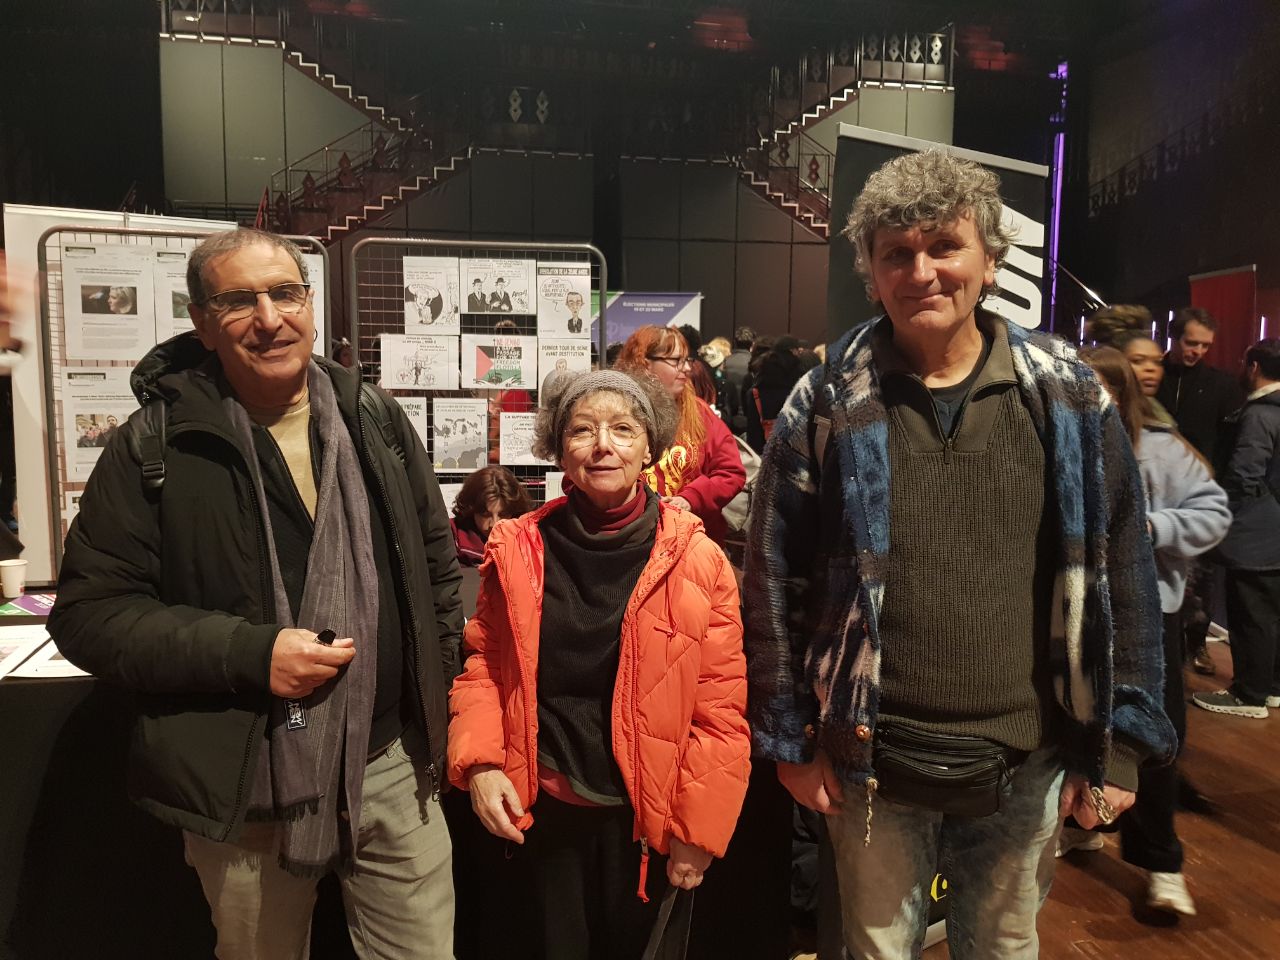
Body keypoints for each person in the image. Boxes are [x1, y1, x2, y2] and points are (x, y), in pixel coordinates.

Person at [744, 149, 1174, 960]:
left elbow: (1124, 570)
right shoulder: (830, 394)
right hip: (869, 752)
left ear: (989, 258)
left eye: (944, 245)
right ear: (870, 271)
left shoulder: (1067, 393)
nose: (922, 271)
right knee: (874, 950)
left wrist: (1119, 744)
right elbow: (772, 573)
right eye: (895, 253)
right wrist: (789, 741)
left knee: (1004, 948)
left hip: (1030, 755)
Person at [48, 228, 461, 959]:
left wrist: (438, 698)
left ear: (310, 303)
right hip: (244, 780)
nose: (269, 318)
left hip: (390, 762)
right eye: (238, 300)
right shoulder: (157, 446)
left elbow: (433, 567)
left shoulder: (374, 418)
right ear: (202, 322)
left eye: (284, 293)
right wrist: (249, 653)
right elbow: (89, 615)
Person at [448, 369, 750, 958]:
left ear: (649, 447)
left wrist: (699, 830)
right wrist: (481, 765)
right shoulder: (516, 549)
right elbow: (485, 666)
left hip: (648, 823)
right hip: (544, 811)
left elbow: (720, 707)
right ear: (559, 449)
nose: (603, 445)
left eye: (622, 429)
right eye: (582, 431)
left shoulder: (697, 558)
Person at [1062, 347, 1228, 917]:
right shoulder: (1055, 443)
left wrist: (1150, 526)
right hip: (1072, 614)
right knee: (1073, 729)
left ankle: (1162, 864)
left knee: (1150, 741)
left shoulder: (1159, 449)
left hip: (1149, 614)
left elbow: (1214, 511)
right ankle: (1083, 825)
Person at [1193, 337, 1280, 720]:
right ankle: (1271, 688)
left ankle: (1249, 695)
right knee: (1270, 612)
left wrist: (1217, 513)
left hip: (1255, 535)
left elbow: (1244, 475)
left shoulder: (1260, 414)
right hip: (1272, 532)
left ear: (1255, 367)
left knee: (1251, 614)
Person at [1156, 308, 1245, 675]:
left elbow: (1228, 442)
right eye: (1191, 342)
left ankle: (1196, 645)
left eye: (1205, 345)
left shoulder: (1222, 385)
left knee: (1201, 580)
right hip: (1154, 492)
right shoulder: (1153, 374)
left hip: (1196, 495)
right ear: (1175, 337)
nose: (1197, 350)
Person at [613, 325, 745, 544]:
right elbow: (579, 478)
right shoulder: (612, 411)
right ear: (645, 364)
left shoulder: (699, 413)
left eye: (687, 360)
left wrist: (689, 499)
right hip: (627, 542)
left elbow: (730, 472)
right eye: (676, 361)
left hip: (692, 542)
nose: (686, 369)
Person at [450, 465, 533, 566]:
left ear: (515, 512)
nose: (494, 524)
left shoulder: (527, 539)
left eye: (503, 514)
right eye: (486, 514)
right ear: (471, 510)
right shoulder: (452, 536)